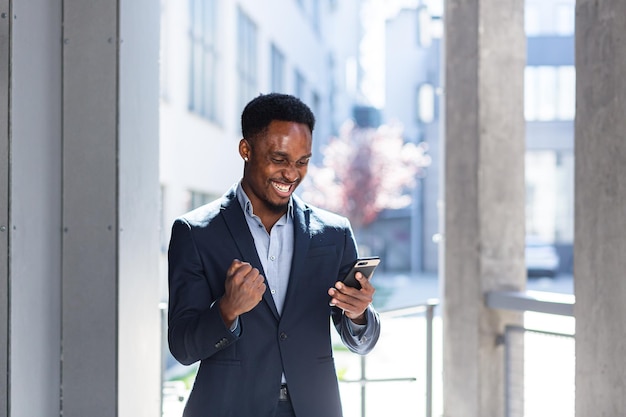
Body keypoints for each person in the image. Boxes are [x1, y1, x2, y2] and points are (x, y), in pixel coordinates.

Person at [167, 93, 381, 417]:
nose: (292, 174)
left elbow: (361, 341)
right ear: (246, 150)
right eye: (279, 159)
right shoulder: (196, 233)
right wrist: (227, 310)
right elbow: (183, 347)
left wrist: (358, 314)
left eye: (302, 161)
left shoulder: (334, 233)